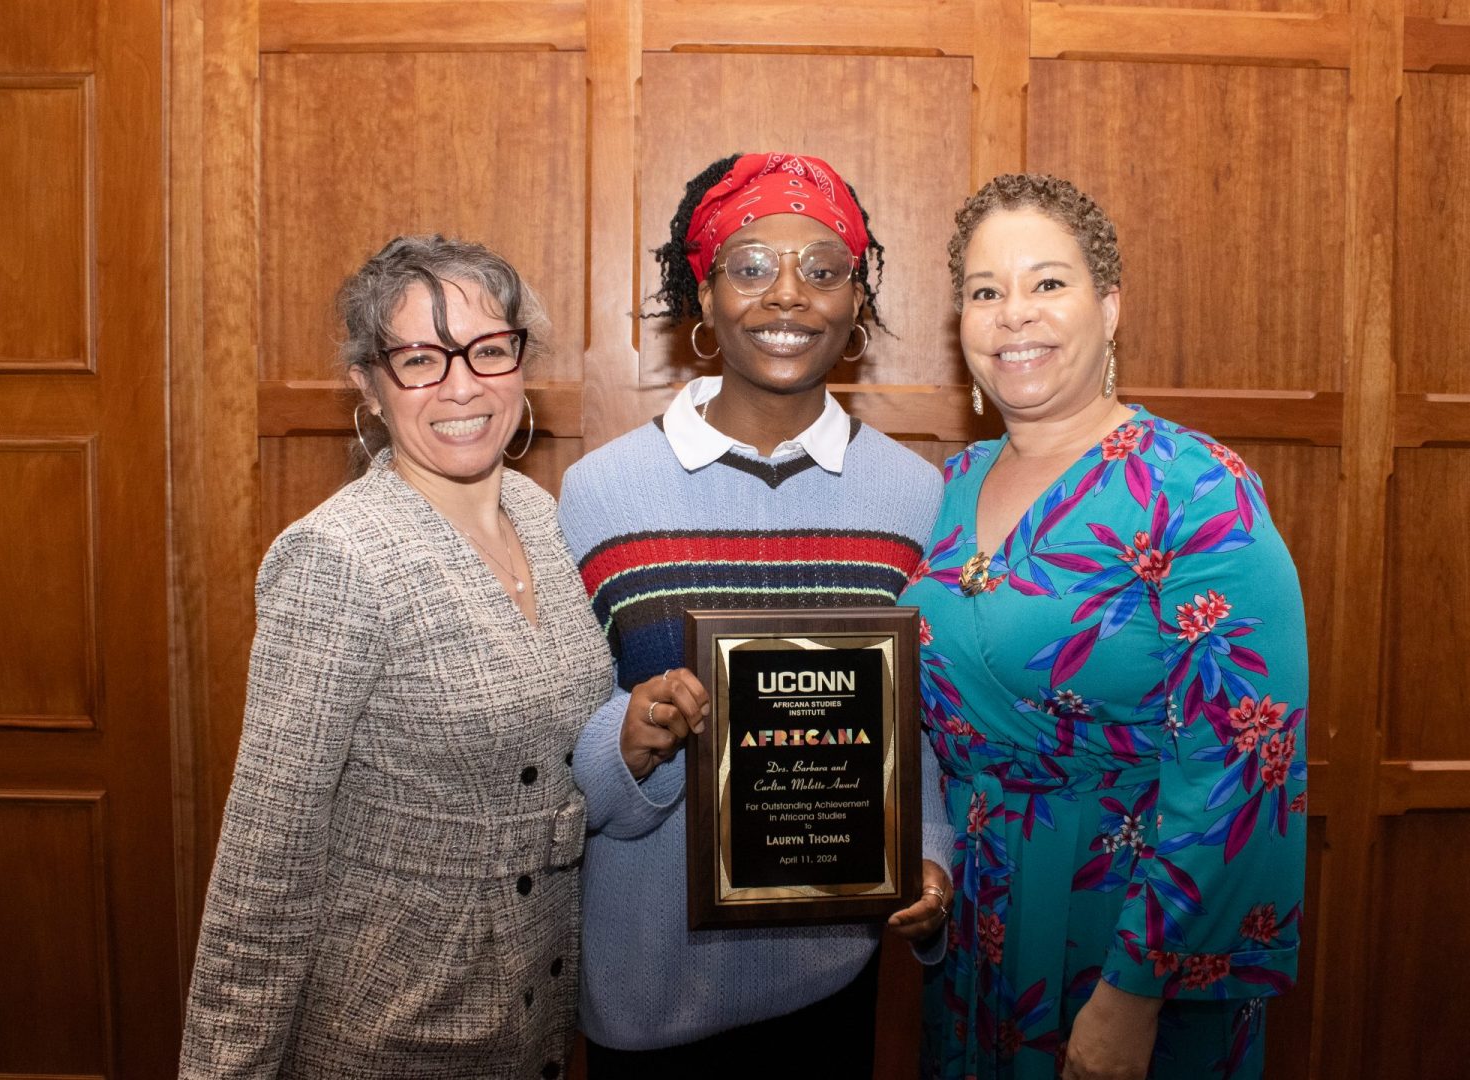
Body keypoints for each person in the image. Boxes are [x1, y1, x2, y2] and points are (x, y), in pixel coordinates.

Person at [556, 152, 955, 1078]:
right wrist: (630, 738)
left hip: (831, 978)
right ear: (702, 295)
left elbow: (922, 728)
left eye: (822, 269)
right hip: (645, 987)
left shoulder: (913, 497)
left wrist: (929, 862)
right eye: (750, 267)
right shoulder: (597, 494)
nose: (788, 297)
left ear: (857, 301)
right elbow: (556, 744)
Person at [179, 236, 614, 1079]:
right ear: (369, 386)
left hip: (539, 1018)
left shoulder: (547, 517)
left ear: (523, 362)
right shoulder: (338, 558)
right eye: (420, 358)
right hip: (394, 1029)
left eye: (489, 350)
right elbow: (265, 860)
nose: (462, 386)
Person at [903, 175, 1307, 1080]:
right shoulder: (953, 485)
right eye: (984, 290)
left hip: (1127, 933)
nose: (1014, 315)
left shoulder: (1196, 489)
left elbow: (1244, 764)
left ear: (1109, 306)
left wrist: (1138, 989)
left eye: (1048, 283)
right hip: (977, 924)